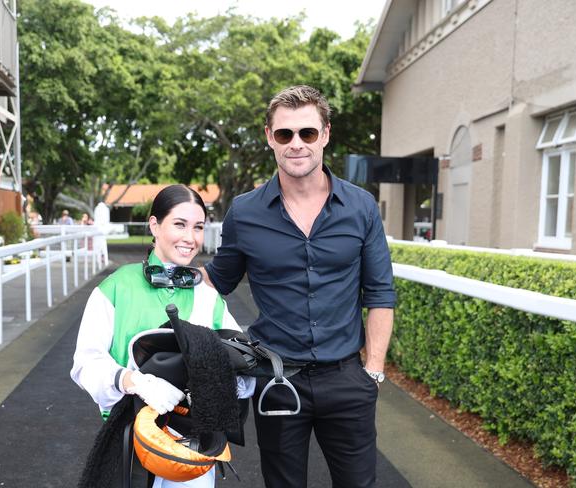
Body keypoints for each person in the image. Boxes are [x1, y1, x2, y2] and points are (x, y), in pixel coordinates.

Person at [202, 85, 396, 488]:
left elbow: (380, 293)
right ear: (269, 138)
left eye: (307, 133)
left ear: (325, 135)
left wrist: (373, 371)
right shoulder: (245, 211)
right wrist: (163, 261)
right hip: (277, 380)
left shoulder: (361, 207)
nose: (296, 144)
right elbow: (216, 281)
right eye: (284, 134)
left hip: (348, 380)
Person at [71, 184, 254, 488]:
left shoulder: (207, 295)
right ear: (154, 225)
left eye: (198, 227)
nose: (190, 238)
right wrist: (133, 381)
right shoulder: (116, 287)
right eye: (179, 224)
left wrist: (230, 380)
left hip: (192, 450)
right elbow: (85, 363)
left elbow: (241, 367)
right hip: (130, 441)